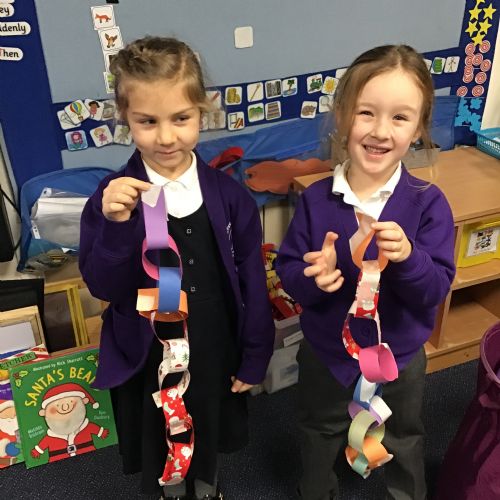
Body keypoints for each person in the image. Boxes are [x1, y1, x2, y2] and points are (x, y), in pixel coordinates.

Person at [79, 36, 274, 500]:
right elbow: (103, 285)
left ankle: (206, 487)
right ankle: (166, 491)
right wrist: (115, 227)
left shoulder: (229, 197)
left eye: (181, 118)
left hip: (213, 346)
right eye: (148, 121)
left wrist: (255, 353)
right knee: (158, 432)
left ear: (202, 111)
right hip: (149, 351)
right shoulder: (112, 197)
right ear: (125, 117)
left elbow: (251, 280)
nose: (166, 137)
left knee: (207, 423)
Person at [275, 45, 456, 500]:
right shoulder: (316, 200)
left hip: (400, 356)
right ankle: (317, 491)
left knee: (403, 434)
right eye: (366, 112)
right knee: (319, 429)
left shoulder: (428, 204)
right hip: (327, 353)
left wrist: (410, 258)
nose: (380, 131)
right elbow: (289, 270)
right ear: (342, 115)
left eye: (400, 117)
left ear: (418, 128)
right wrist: (313, 279)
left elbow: (435, 288)